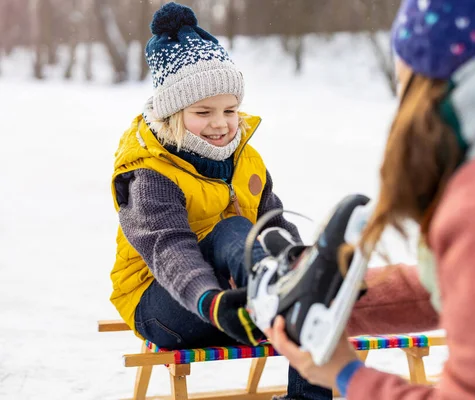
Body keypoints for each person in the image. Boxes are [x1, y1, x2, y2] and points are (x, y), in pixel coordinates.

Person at [266, 0, 475, 398]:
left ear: (430, 82)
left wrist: (347, 375)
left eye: (403, 83)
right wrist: (338, 299)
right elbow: (470, 284)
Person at [109, 3, 332, 399]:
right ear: (172, 114)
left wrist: (305, 263)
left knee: (295, 280)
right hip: (164, 303)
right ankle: (273, 291)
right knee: (233, 230)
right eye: (203, 111)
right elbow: (169, 249)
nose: (220, 123)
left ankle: (303, 375)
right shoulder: (150, 172)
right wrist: (210, 299)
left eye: (230, 110)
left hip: (237, 298)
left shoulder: (245, 158)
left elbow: (273, 223)